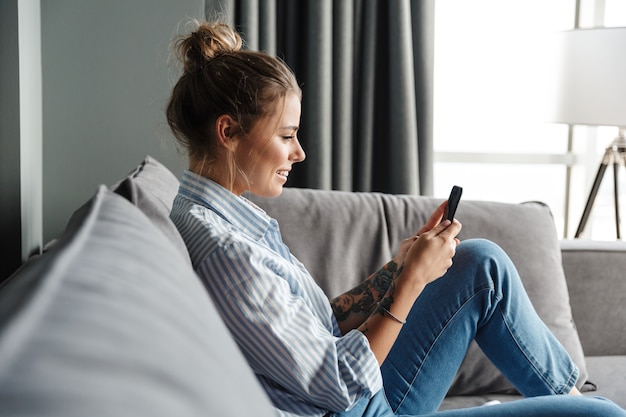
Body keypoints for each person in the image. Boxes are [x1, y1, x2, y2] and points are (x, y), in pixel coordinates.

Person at [166, 20, 626, 417]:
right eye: (286, 135)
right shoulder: (226, 252)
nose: (299, 152)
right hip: (359, 406)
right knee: (607, 415)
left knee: (479, 263)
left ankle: (565, 397)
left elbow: (321, 325)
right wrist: (409, 285)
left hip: (364, 396)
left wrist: (399, 269)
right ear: (228, 131)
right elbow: (341, 382)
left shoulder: (229, 218)